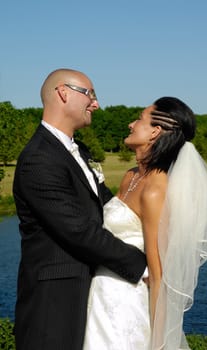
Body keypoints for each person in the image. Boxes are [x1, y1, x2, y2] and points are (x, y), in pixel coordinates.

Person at [13, 68, 147, 350]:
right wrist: (142, 265)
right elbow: (79, 231)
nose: (96, 104)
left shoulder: (79, 151)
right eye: (90, 94)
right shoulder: (39, 159)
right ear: (63, 93)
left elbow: (108, 208)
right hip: (55, 303)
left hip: (93, 294)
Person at [83, 97, 207, 349]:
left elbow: (159, 275)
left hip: (124, 306)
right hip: (99, 294)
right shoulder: (131, 176)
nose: (130, 124)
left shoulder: (155, 188)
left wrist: (159, 341)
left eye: (139, 118)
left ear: (155, 132)